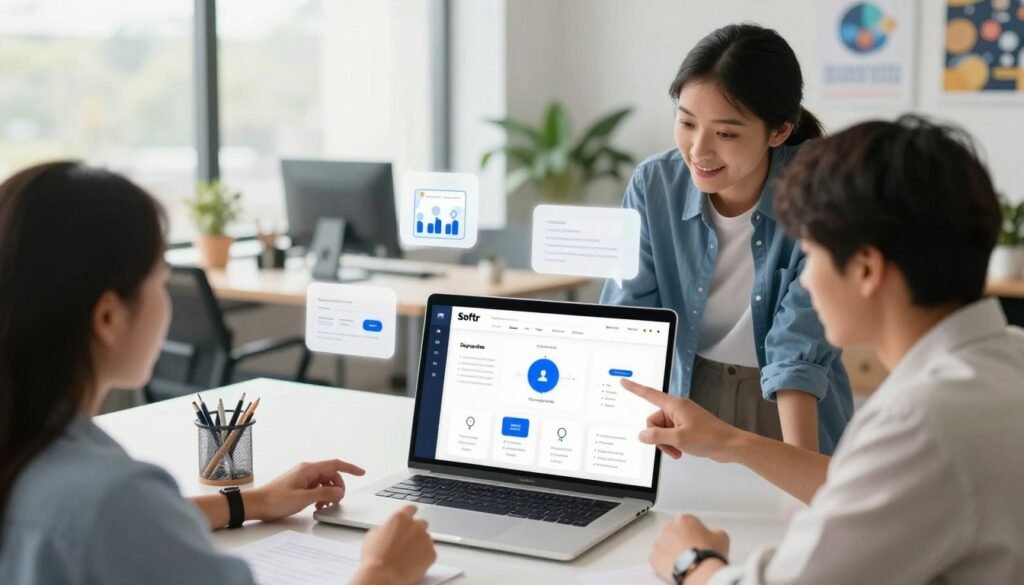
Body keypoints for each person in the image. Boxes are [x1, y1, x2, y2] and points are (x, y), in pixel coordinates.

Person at [624, 116, 1024, 584]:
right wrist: (726, 440)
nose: (806, 278)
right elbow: (876, 490)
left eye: (811, 254)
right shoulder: (1005, 359)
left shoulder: (919, 420)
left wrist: (692, 562)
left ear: (867, 270)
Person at [0, 162, 436, 585]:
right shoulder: (115, 496)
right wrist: (384, 573)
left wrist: (254, 501)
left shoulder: (34, 453)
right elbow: (119, 518)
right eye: (161, 282)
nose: (167, 301)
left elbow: (120, 531)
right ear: (109, 318)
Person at [600, 23, 852, 454]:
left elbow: (798, 345)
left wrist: (805, 477)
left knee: (794, 517)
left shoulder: (823, 190)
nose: (699, 150)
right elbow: (628, 319)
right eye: (686, 122)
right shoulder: (654, 185)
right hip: (685, 397)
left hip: (789, 404)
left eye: (727, 133)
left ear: (779, 131)